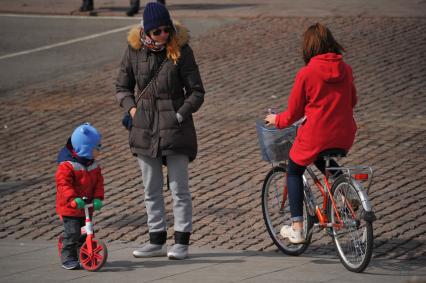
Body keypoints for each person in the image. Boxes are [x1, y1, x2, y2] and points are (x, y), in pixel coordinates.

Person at [115, 2, 204, 260]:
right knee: (151, 188)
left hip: (175, 129)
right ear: (146, 32)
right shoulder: (133, 52)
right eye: (157, 32)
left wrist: (179, 114)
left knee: (179, 188)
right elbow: (122, 87)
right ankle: (156, 240)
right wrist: (132, 110)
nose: (163, 35)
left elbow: (197, 91)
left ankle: (181, 242)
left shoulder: (182, 50)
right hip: (144, 130)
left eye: (167, 30)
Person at [264, 23, 357, 244]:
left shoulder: (307, 73)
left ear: (308, 47)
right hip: (344, 134)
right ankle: (347, 192)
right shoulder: (346, 69)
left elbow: (293, 113)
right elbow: (353, 101)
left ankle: (297, 228)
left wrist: (275, 119)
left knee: (295, 170)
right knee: (321, 157)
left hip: (317, 135)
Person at [55, 123, 104, 269]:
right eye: (97, 147)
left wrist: (97, 198)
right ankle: (68, 256)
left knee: (86, 232)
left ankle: (83, 254)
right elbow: (63, 184)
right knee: (72, 233)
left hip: (86, 206)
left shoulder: (93, 164)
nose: (100, 150)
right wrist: (72, 199)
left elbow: (99, 183)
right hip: (70, 206)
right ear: (86, 148)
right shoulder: (67, 165)